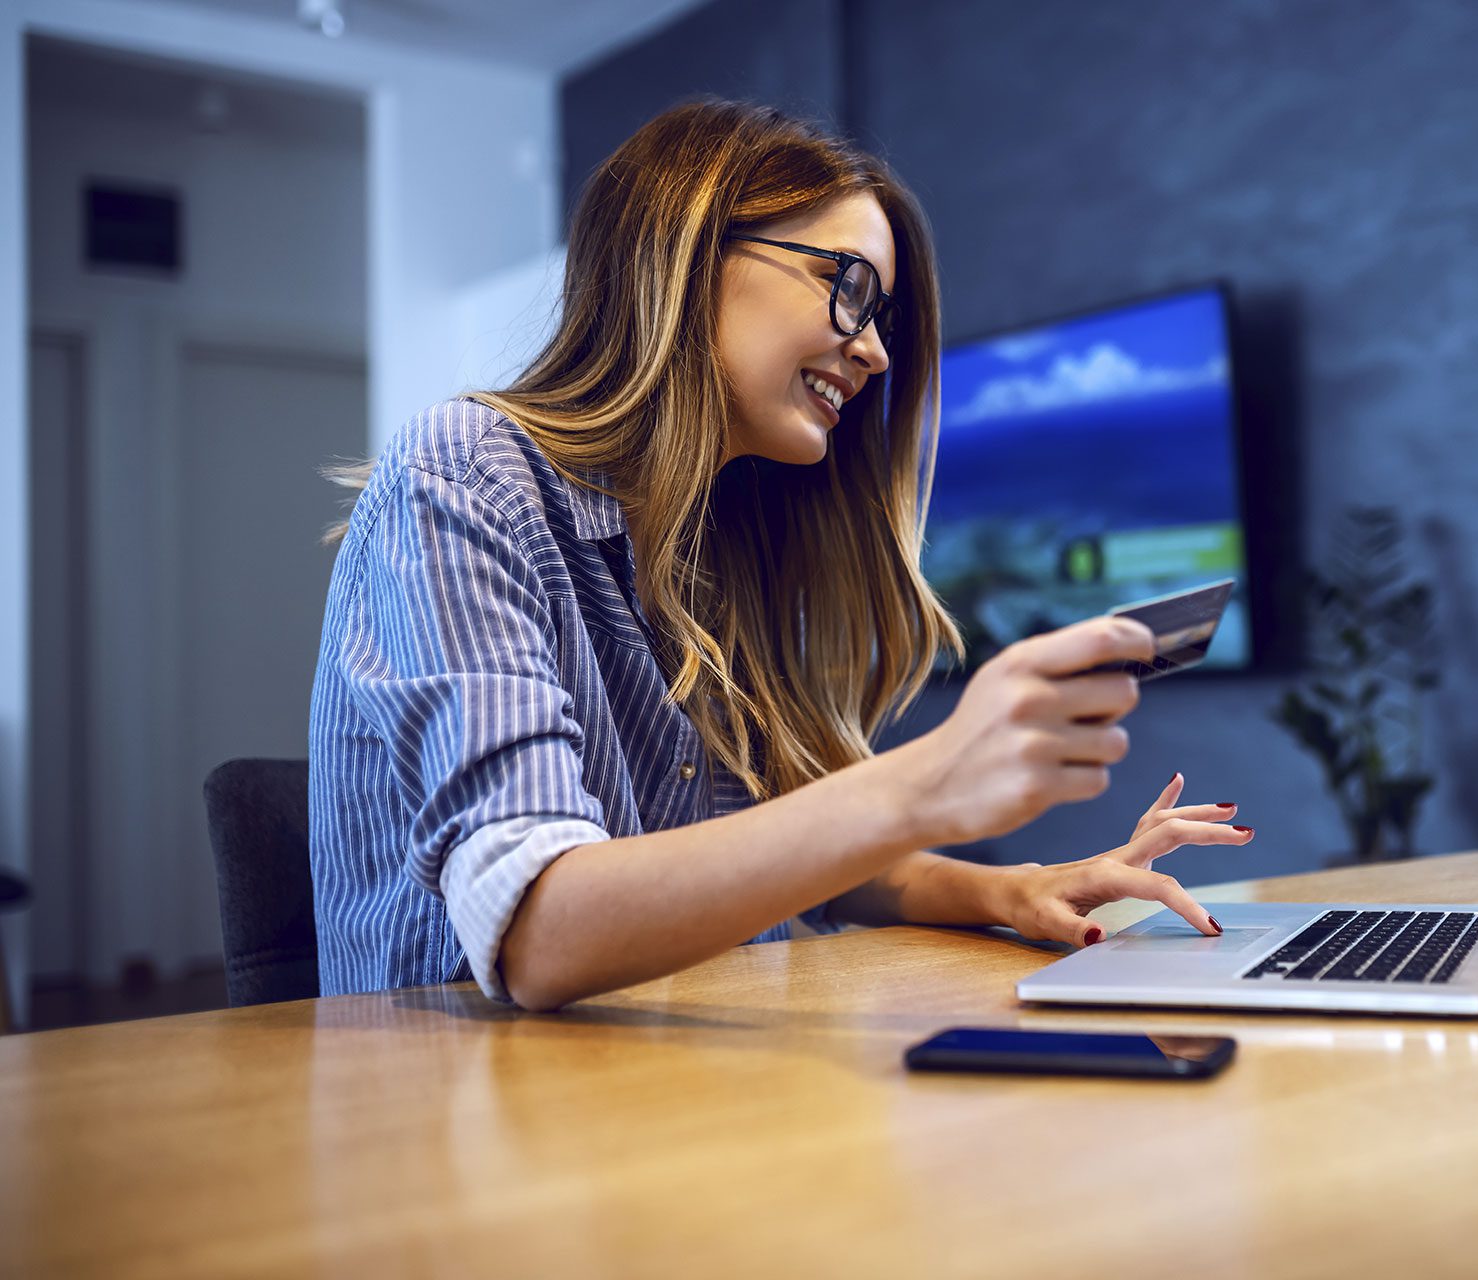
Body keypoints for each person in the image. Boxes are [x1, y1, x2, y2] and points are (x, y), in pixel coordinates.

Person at [309, 98, 1255, 1012]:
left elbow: (795, 853)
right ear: (686, 254)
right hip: (454, 1107)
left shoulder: (722, 542)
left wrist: (1013, 891)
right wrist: (924, 782)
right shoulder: (468, 473)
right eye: (849, 288)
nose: (877, 351)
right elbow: (536, 933)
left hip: (673, 1088)